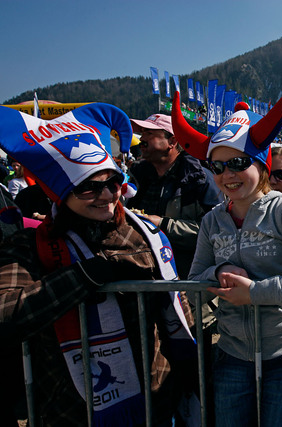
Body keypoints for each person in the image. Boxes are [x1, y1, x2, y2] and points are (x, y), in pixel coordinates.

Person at [0, 103, 196, 426]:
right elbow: (7, 313)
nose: (106, 195)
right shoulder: (28, 246)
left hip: (154, 403)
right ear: (60, 192)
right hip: (70, 412)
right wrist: (84, 277)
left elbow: (178, 313)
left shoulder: (144, 235)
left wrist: (191, 378)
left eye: (114, 183)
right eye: (90, 186)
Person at [171, 75, 282, 427]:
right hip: (231, 356)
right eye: (218, 167)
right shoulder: (212, 221)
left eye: (238, 163)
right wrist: (215, 276)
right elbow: (193, 283)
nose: (227, 175)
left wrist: (255, 293)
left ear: (261, 165)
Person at [127, 113, 223, 279]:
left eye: (149, 134)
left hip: (187, 281)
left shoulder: (200, 179)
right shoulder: (138, 177)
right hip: (148, 278)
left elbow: (215, 232)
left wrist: (162, 224)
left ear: (172, 141)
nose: (142, 140)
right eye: (142, 133)